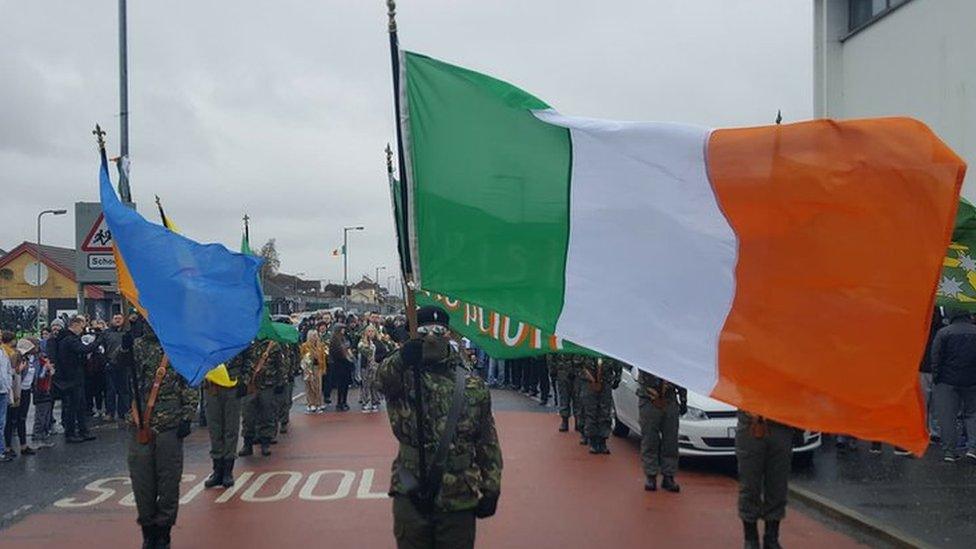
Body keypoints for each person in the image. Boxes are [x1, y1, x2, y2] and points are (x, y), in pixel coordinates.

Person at [376, 306, 502, 549]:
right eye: (423, 331)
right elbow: (379, 381)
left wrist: (491, 486)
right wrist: (401, 358)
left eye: (438, 330)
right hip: (411, 488)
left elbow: (487, 439)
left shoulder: (472, 384)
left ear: (448, 334)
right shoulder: (403, 375)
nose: (431, 337)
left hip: (459, 494)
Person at [127, 319, 197, 549]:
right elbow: (116, 363)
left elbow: (189, 382)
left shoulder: (177, 347)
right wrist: (123, 346)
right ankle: (148, 532)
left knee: (168, 482)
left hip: (170, 425)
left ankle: (164, 532)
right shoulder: (136, 346)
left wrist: (187, 415)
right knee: (142, 483)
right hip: (140, 426)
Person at [735, 412, 794, 549]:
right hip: (751, 424)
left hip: (781, 424)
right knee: (749, 486)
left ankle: (771, 537)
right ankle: (751, 538)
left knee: (778, 485)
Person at [930, 307, 976, 462]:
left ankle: (950, 451)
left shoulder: (944, 333)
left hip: (947, 381)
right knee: (972, 414)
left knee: (947, 417)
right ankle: (973, 449)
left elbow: (935, 357)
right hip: (972, 380)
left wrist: (936, 377)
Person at [203, 348, 251, 489]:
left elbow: (248, 358)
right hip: (212, 386)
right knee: (214, 428)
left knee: (231, 428)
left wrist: (245, 380)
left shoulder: (238, 335)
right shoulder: (206, 333)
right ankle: (217, 470)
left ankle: (228, 471)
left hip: (232, 384)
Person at [54, 316, 101, 443]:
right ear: (74, 325)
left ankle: (82, 430)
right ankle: (71, 433)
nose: (82, 329)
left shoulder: (68, 339)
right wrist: (98, 341)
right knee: (73, 406)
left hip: (76, 376)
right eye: (81, 326)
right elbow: (84, 349)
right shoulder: (69, 340)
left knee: (80, 405)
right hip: (72, 377)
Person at [637, 370, 686, 492]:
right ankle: (651, 475)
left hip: (670, 399)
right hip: (649, 398)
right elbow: (643, 376)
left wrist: (683, 399)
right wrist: (656, 395)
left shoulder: (673, 357)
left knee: (670, 440)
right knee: (650, 439)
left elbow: (681, 377)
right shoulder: (645, 355)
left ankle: (668, 476)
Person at [239, 338, 285, 457]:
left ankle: (265, 444)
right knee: (248, 415)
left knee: (267, 414)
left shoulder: (273, 345)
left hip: (267, 385)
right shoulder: (245, 342)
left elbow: (279, 364)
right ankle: (247, 444)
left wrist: (281, 382)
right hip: (250, 385)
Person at [5, 339, 41, 457]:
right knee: (11, 419)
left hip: (26, 391)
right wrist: (18, 370)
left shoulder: (32, 359)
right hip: (16, 390)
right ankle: (8, 446)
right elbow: (12, 373)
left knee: (22, 418)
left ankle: (23, 445)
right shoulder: (17, 357)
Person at [579, 357, 622, 454]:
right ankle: (592, 441)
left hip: (606, 382)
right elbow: (578, 364)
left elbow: (617, 362)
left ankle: (603, 440)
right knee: (590, 411)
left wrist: (617, 378)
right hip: (588, 383)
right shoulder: (586, 348)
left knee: (605, 412)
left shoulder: (607, 348)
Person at [103, 314, 130, 424]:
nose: (118, 320)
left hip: (124, 365)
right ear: (111, 320)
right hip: (111, 364)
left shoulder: (127, 333)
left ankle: (123, 413)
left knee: (124, 391)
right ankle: (110, 412)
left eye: (120, 318)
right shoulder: (106, 333)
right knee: (111, 390)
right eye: (115, 318)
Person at [547, 353, 584, 434]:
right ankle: (564, 420)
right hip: (562, 370)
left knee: (577, 397)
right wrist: (552, 370)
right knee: (564, 397)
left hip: (578, 371)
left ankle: (578, 420)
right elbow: (551, 354)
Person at [329, 326, 355, 412]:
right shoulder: (334, 341)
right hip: (339, 365)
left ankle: (344, 401)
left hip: (347, 364)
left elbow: (349, 347)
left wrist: (350, 354)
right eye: (342, 329)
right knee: (341, 385)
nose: (343, 331)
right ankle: (339, 403)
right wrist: (344, 355)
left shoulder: (344, 338)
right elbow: (334, 353)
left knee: (346, 385)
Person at [300, 329, 327, 413]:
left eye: (316, 335)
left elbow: (323, 357)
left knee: (318, 386)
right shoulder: (305, 346)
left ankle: (318, 403)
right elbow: (302, 357)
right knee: (309, 386)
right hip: (308, 368)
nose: (315, 337)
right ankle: (311, 403)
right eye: (313, 336)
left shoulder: (320, 346)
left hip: (317, 367)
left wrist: (324, 368)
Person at [358, 325, 382, 413]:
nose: (370, 333)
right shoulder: (362, 343)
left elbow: (383, 353)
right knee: (365, 384)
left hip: (375, 365)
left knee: (374, 384)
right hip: (365, 366)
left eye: (372, 331)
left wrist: (376, 359)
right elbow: (360, 353)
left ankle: (374, 402)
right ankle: (366, 402)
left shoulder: (378, 342)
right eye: (369, 331)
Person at [0, 334, 12, 462]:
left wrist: (8, 386)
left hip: (3, 391)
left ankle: (1, 450)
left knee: (1, 423)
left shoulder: (3, 352)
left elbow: (7, 370)